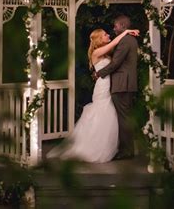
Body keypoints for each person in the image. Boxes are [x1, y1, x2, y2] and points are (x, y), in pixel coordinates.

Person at [46, 27, 139, 163]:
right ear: (99, 39)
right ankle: (95, 147)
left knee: (110, 116)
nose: (108, 35)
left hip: (108, 86)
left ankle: (108, 146)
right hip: (102, 87)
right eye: (105, 35)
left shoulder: (105, 53)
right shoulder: (96, 52)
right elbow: (114, 45)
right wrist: (125, 32)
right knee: (103, 114)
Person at [95, 15, 139, 160]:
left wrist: (99, 73)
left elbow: (115, 64)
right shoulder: (129, 39)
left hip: (122, 84)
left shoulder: (125, 41)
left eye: (116, 26)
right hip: (125, 83)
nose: (114, 29)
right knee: (125, 117)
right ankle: (126, 148)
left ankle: (126, 151)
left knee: (124, 118)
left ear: (122, 26)